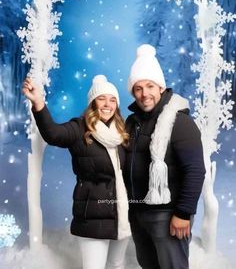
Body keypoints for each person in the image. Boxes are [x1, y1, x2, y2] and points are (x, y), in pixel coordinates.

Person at [22, 75, 131, 269]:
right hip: (92, 215)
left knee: (116, 264)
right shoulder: (79, 128)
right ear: (92, 103)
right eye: (102, 99)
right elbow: (52, 134)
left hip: (121, 215)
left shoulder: (121, 133)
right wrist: (38, 102)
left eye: (112, 100)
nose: (108, 104)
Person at [124, 44, 206, 269]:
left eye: (149, 86)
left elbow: (195, 171)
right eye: (138, 88)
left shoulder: (179, 121)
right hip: (138, 212)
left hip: (168, 215)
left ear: (160, 87)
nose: (144, 94)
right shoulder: (133, 123)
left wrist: (183, 213)